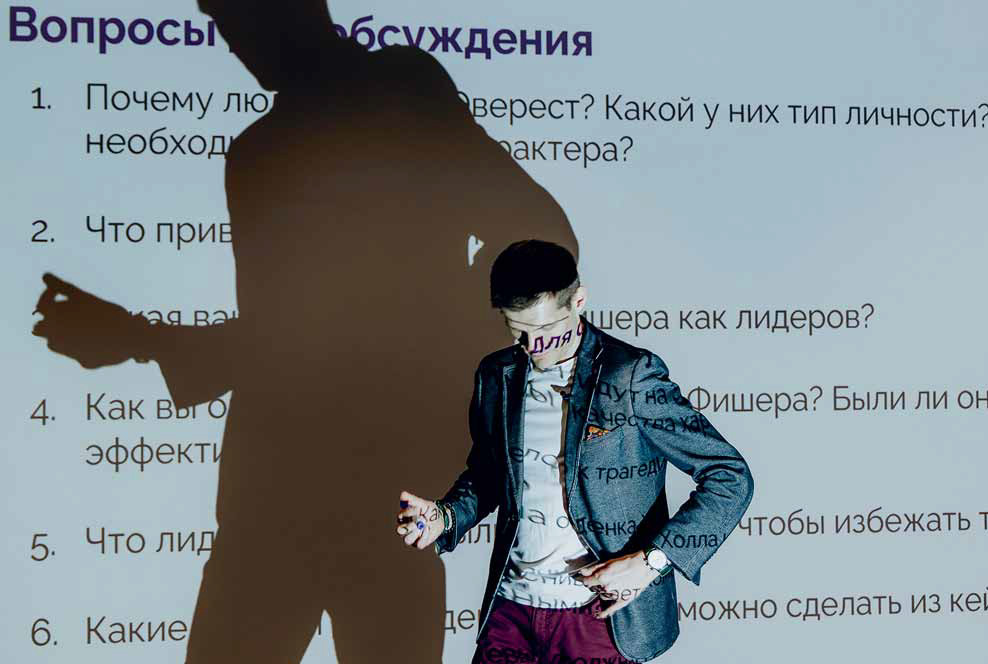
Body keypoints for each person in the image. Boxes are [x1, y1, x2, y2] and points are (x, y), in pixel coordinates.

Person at [30, 1, 577, 661]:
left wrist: (424, 334)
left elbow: (541, 236)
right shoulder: (257, 152)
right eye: (223, 23)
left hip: (383, 485)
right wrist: (138, 339)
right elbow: (287, 341)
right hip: (277, 490)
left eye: (240, 18)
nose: (235, 42)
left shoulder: (397, 90)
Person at [397, 240, 754, 664]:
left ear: (579, 301)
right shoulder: (496, 374)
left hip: (600, 619)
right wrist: (446, 515)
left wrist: (651, 563)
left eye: (547, 329)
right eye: (518, 331)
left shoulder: (630, 376)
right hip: (512, 611)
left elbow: (730, 477)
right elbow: (490, 475)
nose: (535, 346)